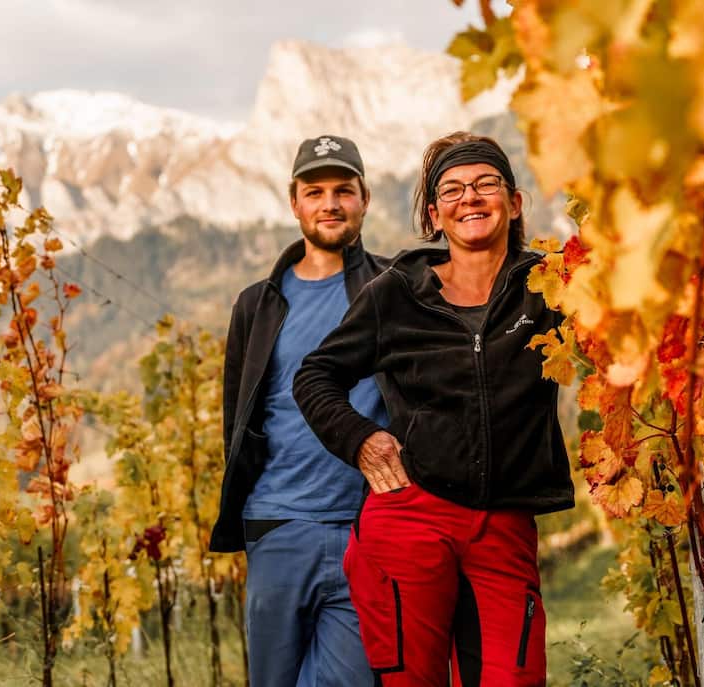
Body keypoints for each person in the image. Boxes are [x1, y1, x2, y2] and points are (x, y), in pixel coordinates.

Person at [293, 132, 575, 686]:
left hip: (506, 521)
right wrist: (360, 439)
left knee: (515, 678)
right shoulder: (397, 291)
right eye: (452, 190)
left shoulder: (551, 286)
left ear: (514, 203)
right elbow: (316, 375)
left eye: (486, 184)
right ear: (434, 214)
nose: (469, 198)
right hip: (410, 513)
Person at [209, 135, 390, 686]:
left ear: (364, 198)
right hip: (278, 524)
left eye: (343, 191)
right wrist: (254, 520)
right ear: (295, 203)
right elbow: (237, 418)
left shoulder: (393, 289)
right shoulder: (257, 303)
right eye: (315, 192)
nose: (330, 203)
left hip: (366, 527)